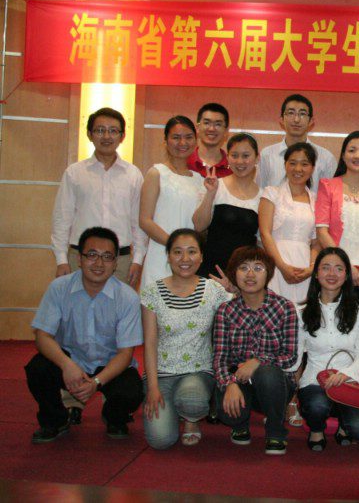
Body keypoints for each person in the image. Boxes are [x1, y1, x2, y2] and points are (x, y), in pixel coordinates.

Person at [25, 227, 144, 443]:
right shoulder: (59, 288)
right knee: (38, 369)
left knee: (132, 390)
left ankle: (113, 417)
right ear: (79, 259)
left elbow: (125, 354)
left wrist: (96, 382)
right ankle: (55, 420)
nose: (99, 263)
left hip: (108, 364)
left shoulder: (128, 298)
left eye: (107, 257)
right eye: (92, 255)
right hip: (71, 360)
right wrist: (66, 365)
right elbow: (42, 336)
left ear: (115, 263)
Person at [141, 229, 231, 449]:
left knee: (192, 401)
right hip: (161, 373)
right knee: (161, 441)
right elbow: (149, 343)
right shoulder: (152, 292)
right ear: (168, 256)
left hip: (198, 371)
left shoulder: (214, 290)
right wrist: (152, 387)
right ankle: (172, 408)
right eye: (177, 252)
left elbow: (244, 308)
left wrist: (233, 288)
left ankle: (191, 419)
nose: (185, 259)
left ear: (201, 257)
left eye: (192, 252)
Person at [213, 245, 299, 455]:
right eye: (243, 268)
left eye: (258, 268)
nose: (250, 274)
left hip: (275, 384)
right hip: (239, 378)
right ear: (234, 273)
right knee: (228, 412)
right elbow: (219, 358)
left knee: (267, 373)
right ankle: (240, 424)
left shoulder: (284, 307)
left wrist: (258, 361)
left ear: (268, 274)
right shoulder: (226, 310)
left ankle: (276, 431)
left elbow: (290, 357)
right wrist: (230, 383)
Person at [51, 107, 147, 287]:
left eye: (113, 131)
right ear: (89, 134)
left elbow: (138, 222)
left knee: (118, 304)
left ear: (122, 136)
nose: (107, 136)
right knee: (77, 305)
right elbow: (62, 219)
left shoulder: (133, 175)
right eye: (100, 130)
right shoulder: (74, 173)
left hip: (120, 260)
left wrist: (138, 260)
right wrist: (61, 260)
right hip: (81, 259)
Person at [296, 248, 359, 451]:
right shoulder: (301, 313)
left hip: (349, 380)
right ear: (316, 273)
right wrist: (292, 396)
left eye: (339, 268)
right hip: (314, 379)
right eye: (326, 268)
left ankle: (344, 424)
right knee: (317, 406)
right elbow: (296, 358)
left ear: (347, 275)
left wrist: (345, 374)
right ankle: (316, 429)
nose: (332, 274)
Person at [315, 131, 359, 315]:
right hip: (335, 273)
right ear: (343, 155)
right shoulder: (328, 186)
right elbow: (322, 231)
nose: (357, 155)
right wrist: (345, 265)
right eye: (352, 150)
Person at [139, 116, 205, 289]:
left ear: (196, 141)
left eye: (188, 137)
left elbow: (200, 224)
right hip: (161, 255)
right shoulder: (156, 173)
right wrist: (175, 247)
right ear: (166, 141)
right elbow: (145, 220)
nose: (183, 142)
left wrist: (185, 252)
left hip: (189, 261)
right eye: (176, 137)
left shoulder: (199, 179)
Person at [193, 133, 261, 278]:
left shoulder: (263, 196)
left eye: (246, 156)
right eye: (234, 155)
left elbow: (261, 242)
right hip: (210, 271)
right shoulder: (215, 184)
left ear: (257, 158)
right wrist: (210, 193)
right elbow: (199, 226)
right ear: (228, 158)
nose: (240, 161)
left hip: (243, 277)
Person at [259, 142, 319, 304]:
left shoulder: (316, 200)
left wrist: (311, 268)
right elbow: (265, 234)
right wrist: (282, 266)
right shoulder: (271, 193)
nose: (298, 169)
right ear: (285, 165)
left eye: (304, 164)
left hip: (304, 266)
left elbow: (316, 242)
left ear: (312, 168)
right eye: (292, 163)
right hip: (275, 263)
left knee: (303, 311)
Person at [257, 94, 336, 192]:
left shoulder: (326, 158)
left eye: (302, 114)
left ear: (311, 121)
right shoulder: (266, 155)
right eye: (291, 113)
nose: (296, 119)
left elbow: (331, 196)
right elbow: (260, 191)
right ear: (281, 119)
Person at [188, 102, 232, 178]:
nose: (211, 129)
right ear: (197, 128)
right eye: (206, 123)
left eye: (218, 124)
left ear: (226, 131)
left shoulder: (233, 168)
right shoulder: (184, 163)